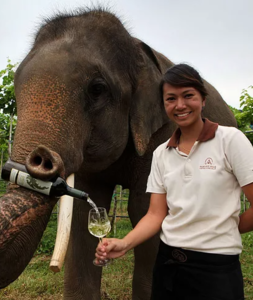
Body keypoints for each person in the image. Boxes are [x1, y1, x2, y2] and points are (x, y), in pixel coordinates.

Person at [95, 63, 253, 300]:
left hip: (216, 267)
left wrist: (227, 228)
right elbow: (156, 214)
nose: (180, 105)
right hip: (168, 262)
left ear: (203, 99)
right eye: (171, 99)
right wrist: (125, 243)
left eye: (188, 95)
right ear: (163, 105)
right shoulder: (161, 153)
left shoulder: (230, 140)